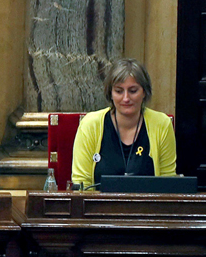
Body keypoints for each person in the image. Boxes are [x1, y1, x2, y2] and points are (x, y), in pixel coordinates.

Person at [70, 60, 177, 192]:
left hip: (147, 210)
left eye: (133, 91)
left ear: (144, 92)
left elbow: (168, 185)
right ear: (111, 93)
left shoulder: (162, 124)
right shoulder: (90, 125)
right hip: (99, 209)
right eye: (119, 91)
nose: (126, 98)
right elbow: (81, 185)